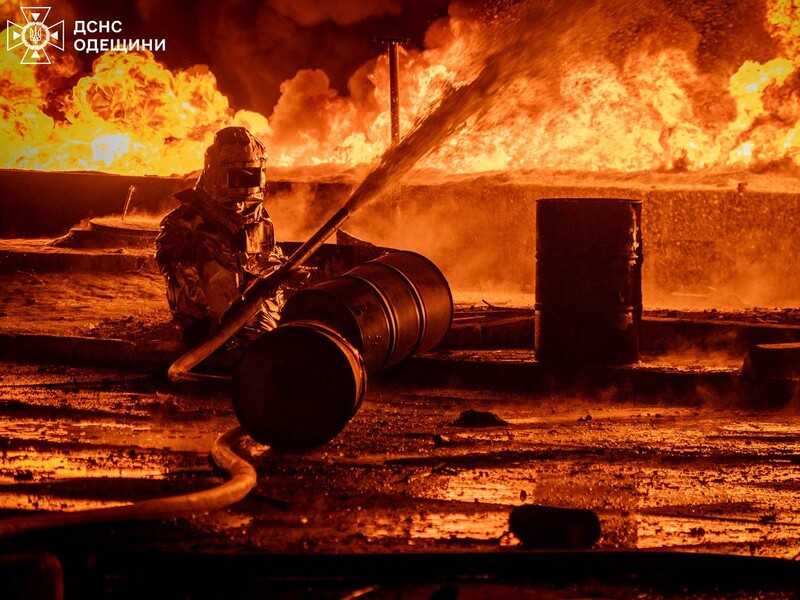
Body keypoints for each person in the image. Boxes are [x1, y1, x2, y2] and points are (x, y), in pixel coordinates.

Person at [155, 126, 296, 347]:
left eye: (251, 176)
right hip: (204, 319)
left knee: (272, 346)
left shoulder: (260, 220)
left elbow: (265, 259)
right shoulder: (184, 221)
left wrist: (281, 272)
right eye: (237, 177)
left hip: (254, 312)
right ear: (215, 175)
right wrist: (211, 313)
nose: (242, 194)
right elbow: (179, 272)